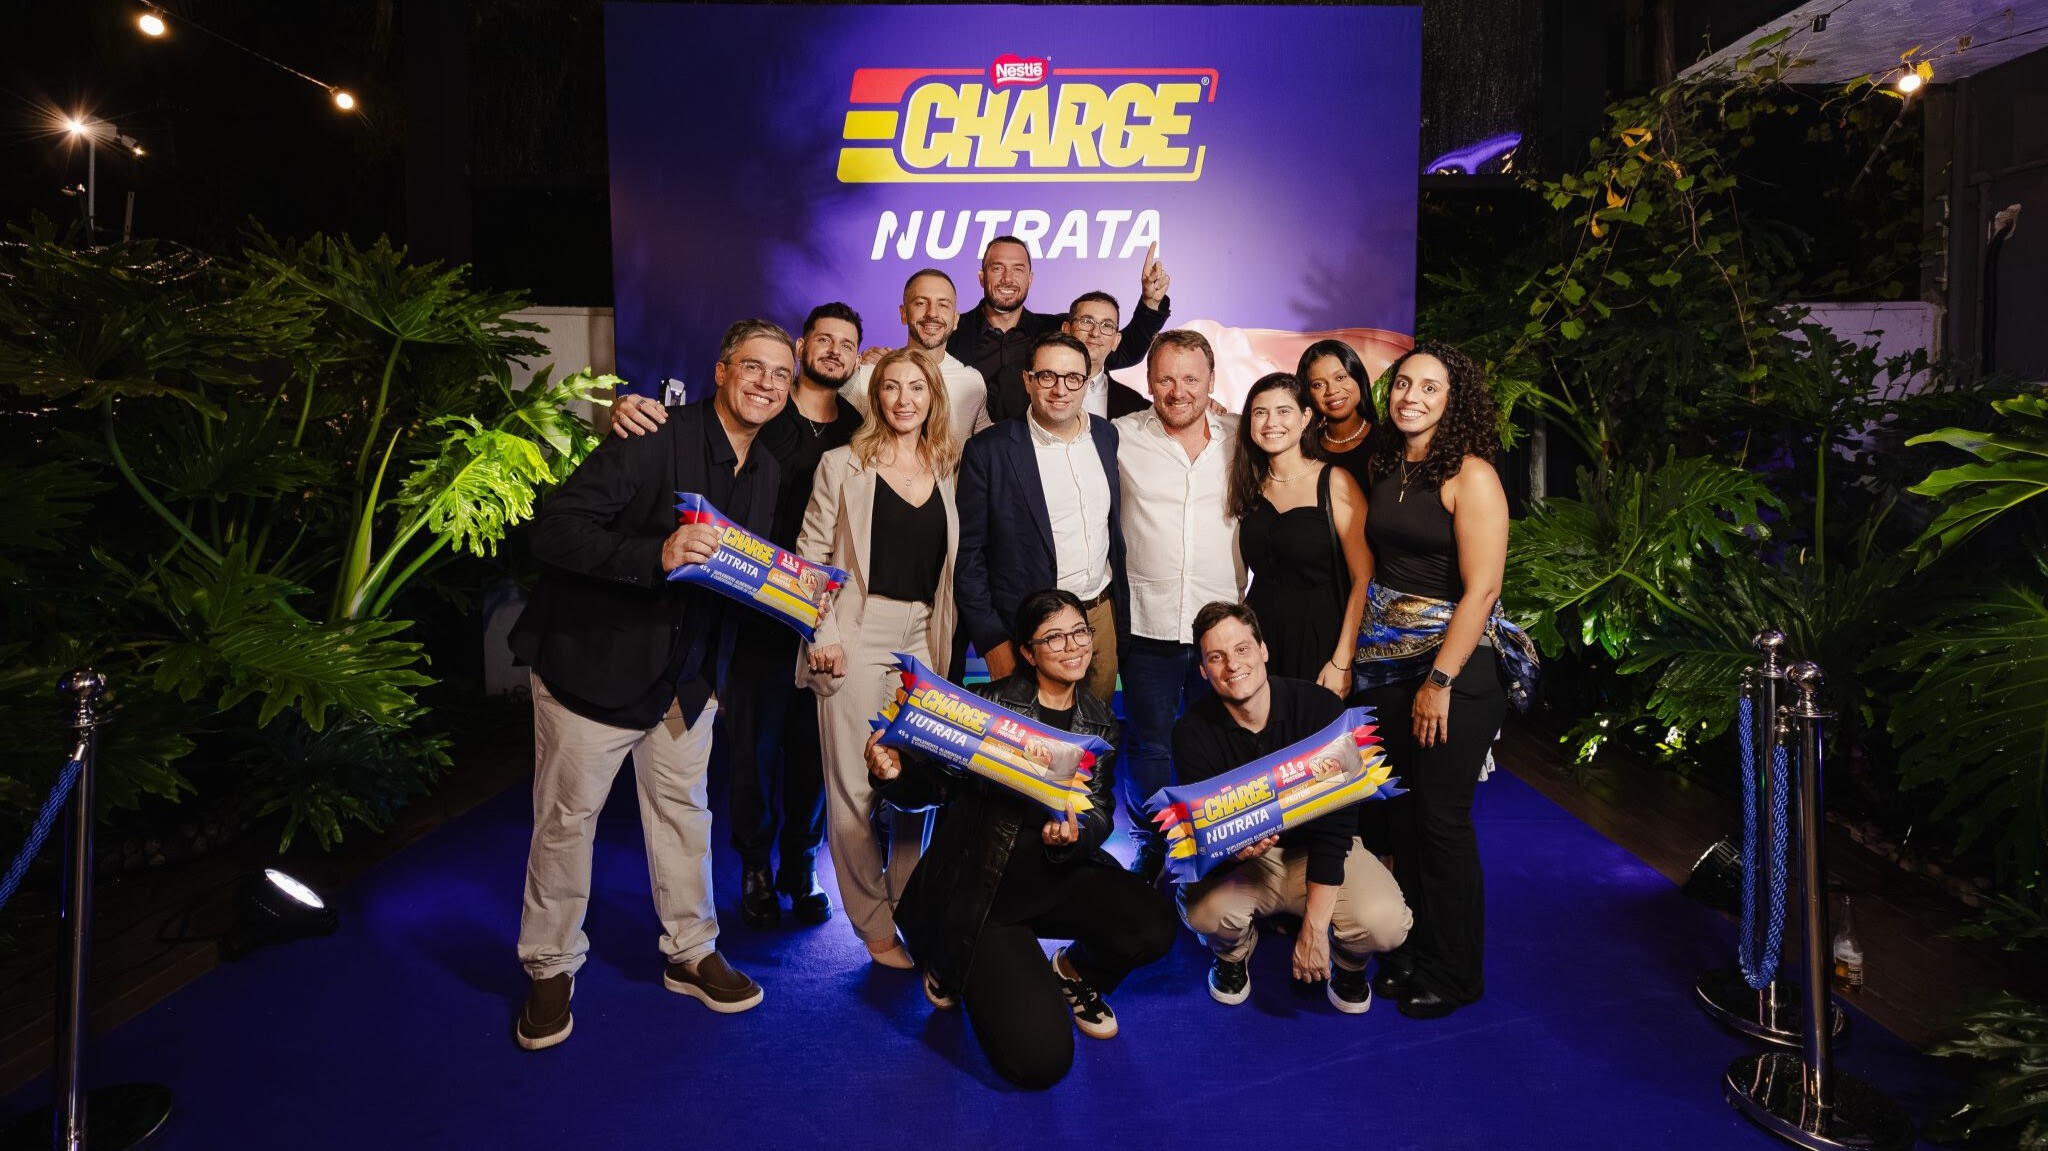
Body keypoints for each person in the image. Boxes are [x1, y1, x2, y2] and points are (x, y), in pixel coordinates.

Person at [505, 318, 791, 1050]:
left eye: (779, 375)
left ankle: (690, 950)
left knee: (685, 817)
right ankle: (550, 964)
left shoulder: (766, 469)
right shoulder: (653, 433)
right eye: (753, 367)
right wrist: (654, 553)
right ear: (721, 371)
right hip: (594, 667)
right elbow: (552, 530)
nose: (766, 383)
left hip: (687, 680)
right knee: (567, 823)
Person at [609, 304, 866, 929]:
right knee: (755, 749)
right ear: (801, 347)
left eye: (847, 343)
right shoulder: (761, 413)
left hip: (825, 616)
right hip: (752, 613)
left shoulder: (861, 427)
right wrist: (630, 409)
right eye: (824, 339)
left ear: (858, 357)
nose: (834, 351)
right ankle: (755, 866)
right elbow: (688, 438)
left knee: (813, 749)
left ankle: (800, 865)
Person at [865, 589, 1178, 1089]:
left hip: (1056, 874)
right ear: (1028, 652)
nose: (1072, 646)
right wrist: (894, 775)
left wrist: (1074, 837)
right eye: (1053, 638)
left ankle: (1073, 971)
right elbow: (938, 787)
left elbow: (1099, 811)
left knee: (1155, 923)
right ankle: (954, 960)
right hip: (984, 893)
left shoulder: (1098, 720)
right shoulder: (989, 703)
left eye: (1079, 632)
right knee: (1040, 1062)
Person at [1351, 341, 1536, 1020]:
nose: (1412, 397)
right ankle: (1411, 948)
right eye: (1404, 384)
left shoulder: (1472, 475)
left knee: (1441, 819)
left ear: (1454, 401)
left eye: (1431, 388)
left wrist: (1439, 679)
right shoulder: (1387, 463)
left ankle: (1455, 973)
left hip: (1454, 668)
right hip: (1385, 662)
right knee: (1401, 815)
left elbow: (1482, 589)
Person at [797, 347, 960, 969]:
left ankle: (907, 904)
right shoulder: (841, 464)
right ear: (875, 396)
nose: (903, 399)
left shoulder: (947, 467)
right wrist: (823, 633)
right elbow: (810, 560)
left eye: (916, 387)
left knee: (916, 779)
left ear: (933, 396)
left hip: (924, 636)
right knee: (854, 788)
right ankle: (872, 925)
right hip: (856, 633)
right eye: (891, 387)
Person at [1172, 601, 1411, 1012]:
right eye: (1217, 657)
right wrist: (1233, 853)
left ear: (1263, 650)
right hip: (1249, 864)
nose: (1233, 665)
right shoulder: (1190, 732)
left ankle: (1348, 961)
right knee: (1204, 913)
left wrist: (1314, 929)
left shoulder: (1320, 709)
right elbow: (1204, 834)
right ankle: (1233, 952)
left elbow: (1338, 825)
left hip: (1318, 848)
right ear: (1204, 671)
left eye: (1242, 649)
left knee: (1387, 924)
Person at [1111, 329, 1242, 882]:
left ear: (1211, 381)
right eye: (1165, 378)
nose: (1178, 391)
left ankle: (1216, 842)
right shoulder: (1118, 436)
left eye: (1190, 379)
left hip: (1223, 625)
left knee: (1220, 739)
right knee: (1149, 745)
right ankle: (1152, 843)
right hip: (1148, 620)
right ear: (1148, 381)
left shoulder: (1243, 436)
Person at [955, 331, 1127, 703]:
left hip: (1098, 618)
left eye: (1073, 378)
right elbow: (967, 556)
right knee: (1030, 737)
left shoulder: (1106, 436)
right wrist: (992, 641)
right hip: (1028, 629)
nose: (1060, 389)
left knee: (1096, 731)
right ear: (1028, 380)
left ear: (1087, 382)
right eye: (1047, 376)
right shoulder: (989, 451)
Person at [1227, 372, 1372, 697]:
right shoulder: (1248, 484)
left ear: (1306, 417)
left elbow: (1364, 578)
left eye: (1283, 411)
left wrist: (1342, 661)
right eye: (1260, 412)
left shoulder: (1334, 482)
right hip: (1259, 642)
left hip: (1321, 640)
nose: (1271, 423)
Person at [950, 235, 1171, 423]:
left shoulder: (1059, 332)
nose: (1008, 278)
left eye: (1018, 269)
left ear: (1030, 279)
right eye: (997, 268)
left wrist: (1150, 303)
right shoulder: (952, 333)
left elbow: (1123, 349)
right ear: (982, 277)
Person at [843, 268, 993, 444]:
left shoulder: (972, 382)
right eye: (921, 303)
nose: (932, 313)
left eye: (943, 305)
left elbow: (989, 447)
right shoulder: (869, 374)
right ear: (903, 313)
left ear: (955, 319)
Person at [1297, 339, 1375, 489]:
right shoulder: (1304, 449)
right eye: (1318, 384)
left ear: (1358, 377)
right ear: (1308, 393)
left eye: (1340, 377)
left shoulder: (1390, 441)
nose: (1332, 390)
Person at [1064, 291, 1152, 419]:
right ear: (1066, 330)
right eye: (1087, 321)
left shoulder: (1137, 407)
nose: (1095, 333)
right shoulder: (1036, 389)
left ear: (1116, 341)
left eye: (1107, 325)